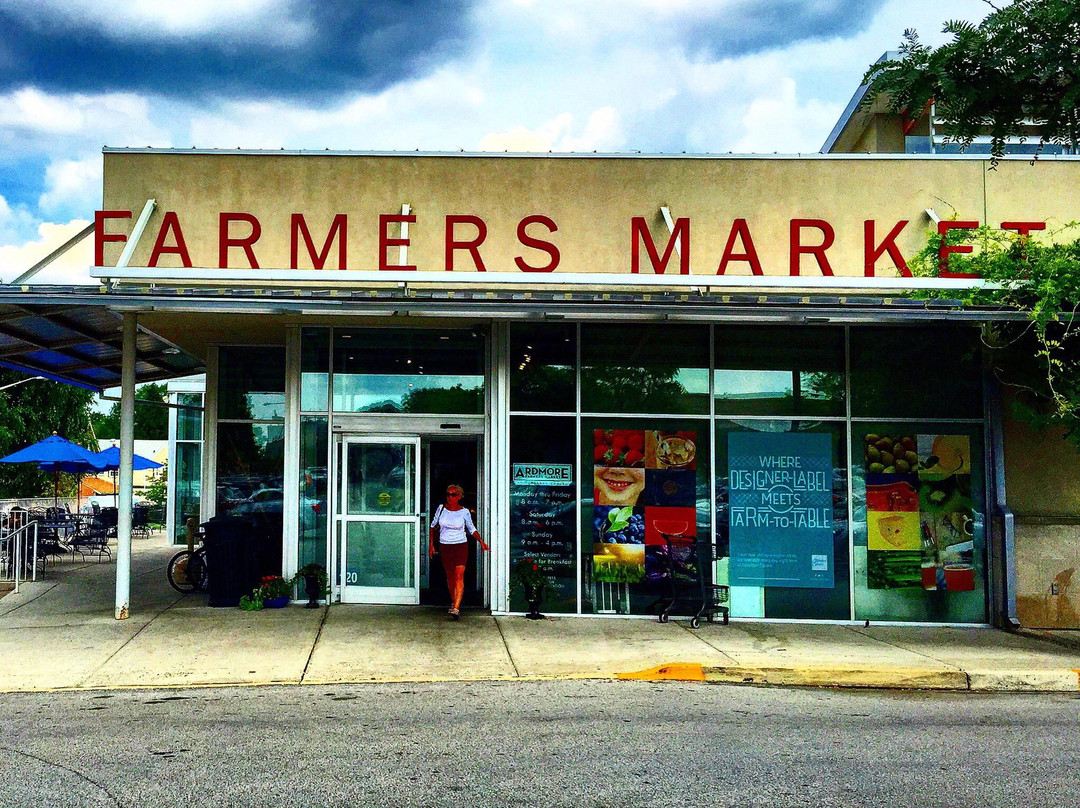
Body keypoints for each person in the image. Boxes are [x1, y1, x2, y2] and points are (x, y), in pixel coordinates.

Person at [428, 484, 489, 620]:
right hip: (445, 545)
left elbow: (471, 528)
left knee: (459, 575)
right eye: (448, 494)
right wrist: (431, 545)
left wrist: (481, 542)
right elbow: (432, 527)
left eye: (454, 494)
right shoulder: (441, 508)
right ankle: (454, 600)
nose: (450, 497)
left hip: (460, 545)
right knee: (450, 576)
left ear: (460, 496)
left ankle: (456, 607)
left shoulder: (464, 511)